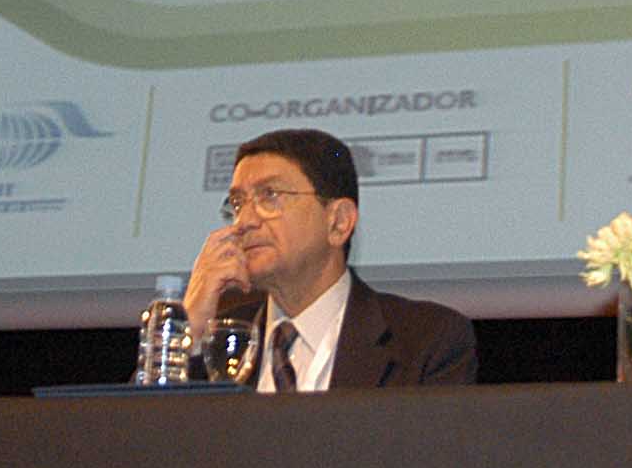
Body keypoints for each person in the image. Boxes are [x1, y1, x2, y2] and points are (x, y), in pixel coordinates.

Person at [179, 127, 475, 389]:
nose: (244, 221)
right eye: (237, 203)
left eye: (270, 195)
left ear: (339, 222)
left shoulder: (426, 340)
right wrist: (187, 332)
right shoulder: (218, 339)